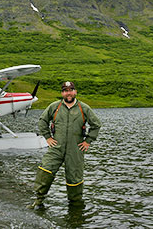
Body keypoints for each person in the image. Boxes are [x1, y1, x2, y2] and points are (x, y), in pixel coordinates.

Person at [28, 81, 101, 209]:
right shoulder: (54, 107)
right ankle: (39, 200)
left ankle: (75, 206)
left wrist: (88, 141)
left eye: (71, 90)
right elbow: (42, 121)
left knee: (75, 177)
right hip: (56, 147)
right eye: (66, 90)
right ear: (62, 93)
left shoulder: (84, 108)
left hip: (76, 149)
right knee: (45, 169)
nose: (69, 93)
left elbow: (96, 125)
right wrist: (48, 138)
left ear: (75, 92)